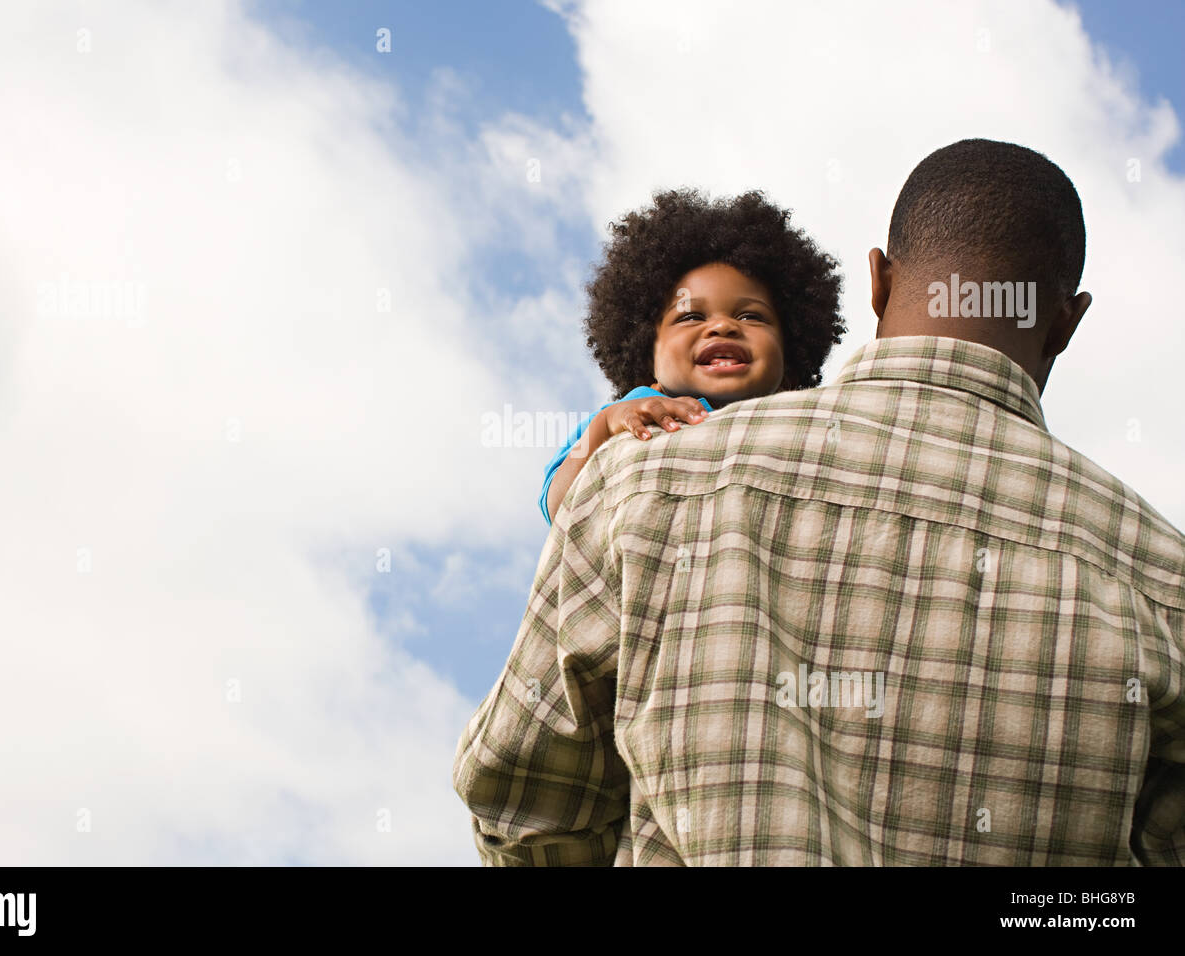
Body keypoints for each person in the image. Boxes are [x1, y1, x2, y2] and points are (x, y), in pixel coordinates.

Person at [451, 138, 1185, 865]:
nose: (722, 329)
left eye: (751, 316)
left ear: (878, 282)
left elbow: (521, 798)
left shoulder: (648, 480)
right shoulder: (1163, 580)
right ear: (1066, 321)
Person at [539, 186, 847, 525]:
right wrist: (606, 425)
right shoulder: (633, 410)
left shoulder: (802, 423)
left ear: (788, 364)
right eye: (690, 316)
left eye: (751, 316)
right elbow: (559, 507)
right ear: (647, 359)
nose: (723, 326)